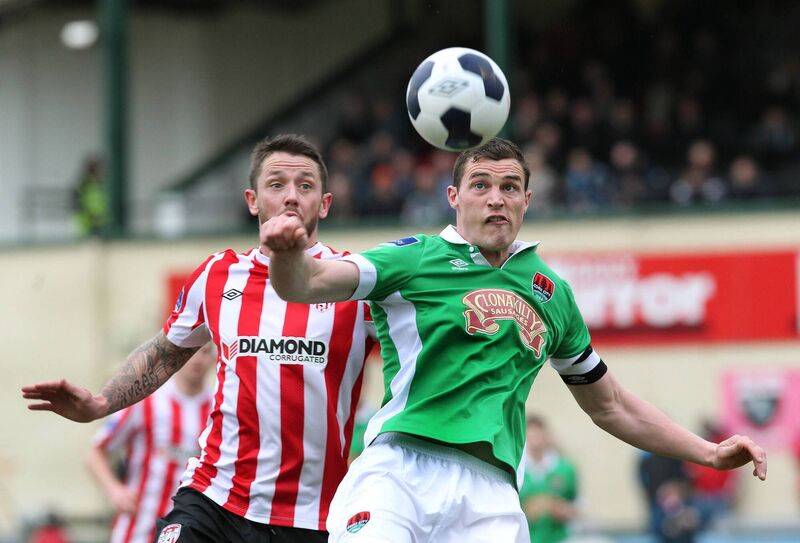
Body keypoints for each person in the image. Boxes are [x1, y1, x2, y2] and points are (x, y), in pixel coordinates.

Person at [262, 137, 768, 543]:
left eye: (509, 187)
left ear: (528, 199)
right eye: (480, 185)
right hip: (399, 471)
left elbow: (611, 405)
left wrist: (708, 452)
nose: (495, 198)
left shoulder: (553, 294)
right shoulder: (412, 257)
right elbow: (304, 284)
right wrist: (287, 252)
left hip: (492, 495)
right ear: (453, 198)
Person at [23, 134, 376, 543]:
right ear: (253, 200)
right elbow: (164, 352)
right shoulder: (217, 275)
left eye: (306, 185)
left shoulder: (359, 285)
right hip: (215, 500)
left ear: (326, 204)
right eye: (276, 184)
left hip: (310, 516)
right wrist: (101, 403)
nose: (291, 196)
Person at [86, 343, 215, 543]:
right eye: (192, 351)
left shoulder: (218, 408)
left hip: (189, 530)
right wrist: (114, 490)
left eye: (205, 352)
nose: (197, 359)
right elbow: (96, 452)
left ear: (215, 358)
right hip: (137, 527)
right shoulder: (146, 399)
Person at [519, 415, 579, 543]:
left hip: (559, 539)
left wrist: (561, 509)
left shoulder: (565, 469)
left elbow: (579, 507)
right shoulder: (516, 470)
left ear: (545, 436)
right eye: (531, 436)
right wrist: (527, 510)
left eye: (538, 435)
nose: (535, 440)